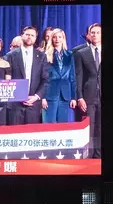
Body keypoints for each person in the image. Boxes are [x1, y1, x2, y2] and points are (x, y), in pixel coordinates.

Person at [4, 25, 48, 125]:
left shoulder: (41, 56)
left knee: (31, 137)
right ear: (22, 36)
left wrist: (36, 97)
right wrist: (19, 96)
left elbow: (45, 80)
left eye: (32, 35)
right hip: (15, 105)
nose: (29, 37)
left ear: (36, 38)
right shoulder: (10, 55)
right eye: (27, 34)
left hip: (34, 105)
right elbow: (7, 80)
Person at [73, 23, 102, 158]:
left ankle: (99, 155)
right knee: (88, 127)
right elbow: (78, 76)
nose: (95, 35)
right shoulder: (81, 53)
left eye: (98, 32)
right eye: (93, 33)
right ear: (89, 35)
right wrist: (79, 97)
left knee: (101, 127)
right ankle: (88, 155)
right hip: (88, 96)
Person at [41, 28, 77, 123]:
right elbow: (43, 78)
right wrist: (42, 97)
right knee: (49, 125)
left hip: (65, 95)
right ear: (51, 39)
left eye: (59, 37)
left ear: (63, 38)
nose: (57, 39)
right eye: (55, 37)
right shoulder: (45, 55)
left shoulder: (69, 55)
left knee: (63, 126)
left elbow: (72, 78)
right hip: (49, 95)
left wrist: (73, 97)